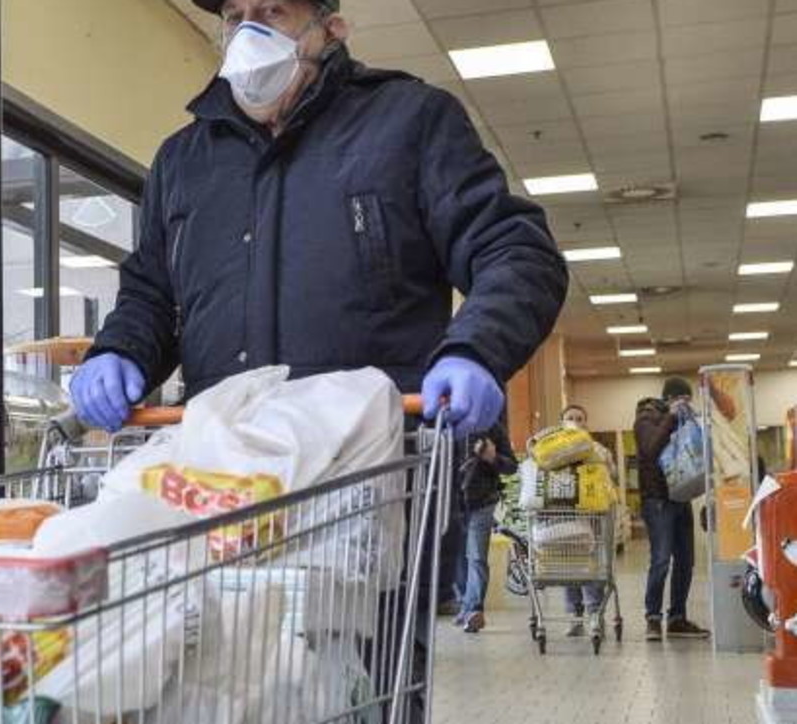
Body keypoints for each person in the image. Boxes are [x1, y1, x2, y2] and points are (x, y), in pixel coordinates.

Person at [70, 0, 568, 718]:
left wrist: (474, 349)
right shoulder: (184, 159)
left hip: (366, 482)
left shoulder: (408, 121)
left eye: (272, 10)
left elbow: (513, 249)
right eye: (235, 13)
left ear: (331, 28)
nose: (248, 30)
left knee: (364, 689)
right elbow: (151, 292)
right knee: (214, 682)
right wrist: (118, 349)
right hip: (221, 479)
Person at [634, 378, 711, 641]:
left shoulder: (682, 419)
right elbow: (650, 450)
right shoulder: (646, 418)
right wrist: (670, 418)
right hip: (657, 500)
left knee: (686, 561)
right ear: (670, 399)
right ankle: (653, 618)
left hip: (681, 496)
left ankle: (677, 618)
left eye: (689, 400)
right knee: (661, 560)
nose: (686, 404)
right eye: (683, 400)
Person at [452, 424, 517, 633]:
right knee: (457, 557)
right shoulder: (448, 423)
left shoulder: (492, 427)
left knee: (476, 556)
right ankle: (465, 604)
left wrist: (493, 457)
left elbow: (511, 467)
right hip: (451, 504)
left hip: (483, 502)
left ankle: (473, 610)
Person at [559, 404, 615, 637]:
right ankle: (574, 614)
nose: (575, 421)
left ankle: (594, 613)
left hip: (592, 516)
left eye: (579, 418)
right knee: (568, 565)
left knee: (591, 565)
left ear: (586, 423)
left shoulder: (597, 449)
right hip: (564, 515)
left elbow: (611, 474)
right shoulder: (554, 449)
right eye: (570, 418)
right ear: (562, 423)